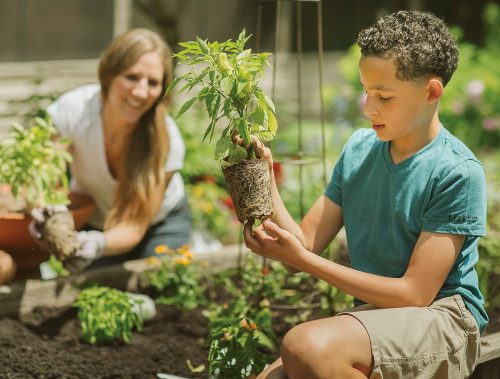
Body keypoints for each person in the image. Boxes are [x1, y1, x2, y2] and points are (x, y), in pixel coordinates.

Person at [243, 10, 487, 379]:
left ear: (431, 91)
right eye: (365, 91)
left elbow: (414, 294)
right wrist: (263, 179)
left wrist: (306, 262)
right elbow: (305, 243)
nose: (368, 108)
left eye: (384, 97)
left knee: (304, 346)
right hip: (378, 315)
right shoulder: (359, 149)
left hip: (442, 318)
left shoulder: (456, 171)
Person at [31, 28, 191, 273]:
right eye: (131, 77)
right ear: (109, 74)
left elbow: (134, 226)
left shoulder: (166, 139)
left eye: (153, 83)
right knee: (92, 293)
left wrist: (99, 244)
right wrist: (44, 217)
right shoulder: (75, 111)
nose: (140, 92)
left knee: (159, 288)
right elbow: (45, 178)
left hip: (161, 225)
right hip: (96, 222)